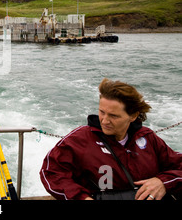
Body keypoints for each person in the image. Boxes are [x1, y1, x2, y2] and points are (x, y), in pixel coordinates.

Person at [40, 78, 181, 200]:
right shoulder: (79, 139)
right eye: (102, 112)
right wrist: (81, 197)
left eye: (114, 116)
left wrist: (162, 182)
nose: (105, 121)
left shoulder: (148, 138)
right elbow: (51, 172)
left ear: (133, 116)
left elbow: (178, 166)